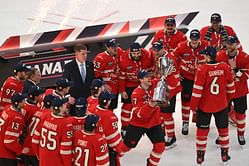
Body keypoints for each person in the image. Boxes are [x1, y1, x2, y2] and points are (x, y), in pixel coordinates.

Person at [190, 46, 235, 165]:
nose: (203, 56)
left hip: (205, 107)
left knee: (202, 132)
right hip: (221, 105)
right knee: (223, 131)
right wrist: (227, 101)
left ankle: (200, 157)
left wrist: (193, 107)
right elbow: (231, 88)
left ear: (209, 56)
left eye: (204, 55)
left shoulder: (202, 69)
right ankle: (224, 155)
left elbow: (197, 91)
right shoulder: (225, 67)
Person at [121, 70, 165, 166]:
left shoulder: (155, 84)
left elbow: (164, 82)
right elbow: (141, 115)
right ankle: (112, 160)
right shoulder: (136, 94)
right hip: (138, 124)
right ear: (140, 80)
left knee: (160, 146)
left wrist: (165, 76)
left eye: (150, 76)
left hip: (154, 123)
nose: (150, 78)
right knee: (125, 147)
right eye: (147, 77)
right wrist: (151, 104)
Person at [174, 29, 209, 135]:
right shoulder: (181, 46)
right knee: (185, 100)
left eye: (196, 39)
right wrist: (177, 72)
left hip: (201, 78)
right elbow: (173, 58)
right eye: (193, 39)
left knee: (202, 100)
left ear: (199, 38)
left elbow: (212, 57)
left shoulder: (206, 45)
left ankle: (199, 118)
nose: (194, 41)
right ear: (190, 38)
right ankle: (185, 122)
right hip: (187, 78)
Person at [216, 36, 249, 146]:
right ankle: (222, 135)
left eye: (232, 44)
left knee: (240, 114)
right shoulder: (220, 56)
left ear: (237, 44)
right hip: (225, 92)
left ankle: (241, 134)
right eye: (228, 43)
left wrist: (236, 70)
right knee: (222, 115)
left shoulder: (245, 57)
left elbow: (246, 75)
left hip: (240, 91)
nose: (229, 46)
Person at [151, 41, 181, 149]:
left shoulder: (167, 59)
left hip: (168, 90)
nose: (155, 52)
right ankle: (163, 134)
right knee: (161, 114)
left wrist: (167, 93)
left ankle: (171, 138)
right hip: (164, 89)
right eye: (154, 50)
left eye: (157, 50)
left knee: (167, 115)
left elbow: (169, 78)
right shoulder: (160, 57)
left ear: (162, 49)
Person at [119, 42, 153, 137]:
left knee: (144, 106)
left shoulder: (147, 55)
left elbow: (151, 72)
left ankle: (145, 126)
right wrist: (122, 90)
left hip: (143, 84)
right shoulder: (123, 58)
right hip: (129, 85)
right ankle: (124, 128)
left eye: (138, 53)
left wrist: (151, 85)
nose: (136, 55)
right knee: (127, 107)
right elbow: (121, 76)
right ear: (130, 52)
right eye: (134, 54)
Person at [32, 97, 73, 166]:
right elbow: (65, 150)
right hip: (57, 162)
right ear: (60, 108)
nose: (66, 105)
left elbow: (35, 140)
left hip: (43, 161)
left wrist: (39, 156)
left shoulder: (45, 116)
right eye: (64, 104)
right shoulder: (66, 124)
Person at [94, 39, 124, 109]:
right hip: (106, 89)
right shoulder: (100, 58)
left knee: (113, 107)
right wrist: (104, 85)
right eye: (112, 47)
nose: (115, 49)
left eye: (116, 46)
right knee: (104, 108)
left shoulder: (120, 51)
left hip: (116, 88)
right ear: (107, 47)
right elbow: (96, 75)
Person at [95, 91, 123, 166]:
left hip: (92, 146)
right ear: (108, 102)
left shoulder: (91, 109)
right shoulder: (110, 116)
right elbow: (113, 138)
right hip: (105, 149)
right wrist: (120, 150)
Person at [0, 93, 28, 166]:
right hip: (6, 154)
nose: (24, 102)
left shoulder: (7, 108)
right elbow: (9, 141)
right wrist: (21, 150)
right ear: (17, 103)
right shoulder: (16, 118)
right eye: (22, 100)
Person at [20, 86, 45, 166]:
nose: (41, 96)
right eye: (40, 95)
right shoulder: (36, 110)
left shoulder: (23, 106)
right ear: (36, 97)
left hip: (23, 145)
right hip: (32, 146)